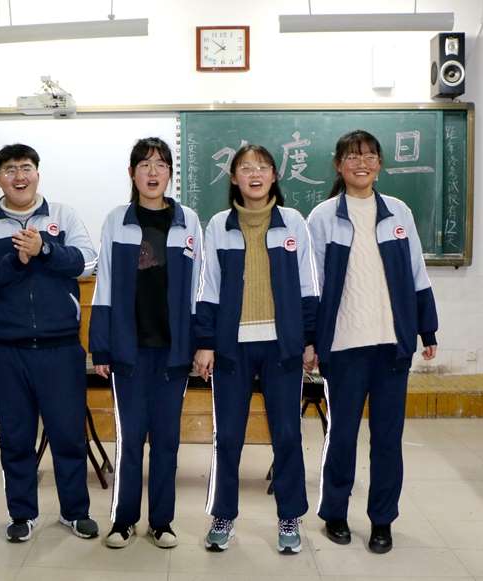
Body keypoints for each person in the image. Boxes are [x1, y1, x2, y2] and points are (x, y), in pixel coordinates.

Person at [307, 130, 438, 554]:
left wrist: (427, 328)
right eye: (352, 156)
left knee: (387, 439)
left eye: (368, 157)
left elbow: (416, 271)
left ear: (380, 164)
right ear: (338, 165)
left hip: (391, 345)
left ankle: (382, 520)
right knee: (342, 436)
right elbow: (312, 284)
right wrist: (311, 340)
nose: (360, 164)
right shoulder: (323, 217)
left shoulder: (398, 212)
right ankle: (335, 513)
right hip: (343, 346)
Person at [0, 143, 99, 543]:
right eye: (9, 170)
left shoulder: (62, 216)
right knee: (15, 438)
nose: (19, 177)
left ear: (37, 173)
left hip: (60, 348)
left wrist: (45, 250)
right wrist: (15, 261)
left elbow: (89, 261)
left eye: (25, 168)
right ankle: (22, 513)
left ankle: (75, 512)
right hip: (4, 349)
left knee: (68, 436)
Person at [194, 144, 318, 554]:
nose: (255, 174)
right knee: (228, 436)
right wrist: (205, 342)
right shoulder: (219, 225)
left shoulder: (293, 223)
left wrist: (309, 339)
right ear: (234, 178)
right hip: (232, 349)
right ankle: (223, 516)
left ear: (274, 176)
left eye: (263, 167)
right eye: (246, 168)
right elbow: (208, 286)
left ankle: (289, 517)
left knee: (287, 435)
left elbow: (308, 285)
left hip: (283, 347)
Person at [89, 137, 202, 549]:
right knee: (131, 439)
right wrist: (102, 346)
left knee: (167, 441)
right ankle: (123, 520)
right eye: (144, 164)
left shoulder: (188, 221)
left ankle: (162, 521)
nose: (153, 172)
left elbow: (199, 286)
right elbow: (103, 285)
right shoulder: (117, 220)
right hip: (129, 350)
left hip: (174, 351)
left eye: (161, 164)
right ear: (132, 173)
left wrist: (200, 344)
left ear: (170, 173)